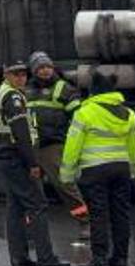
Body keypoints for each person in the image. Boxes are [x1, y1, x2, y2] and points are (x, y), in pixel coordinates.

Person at [0, 62, 71, 266]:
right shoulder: (13, 98)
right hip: (17, 158)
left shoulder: (3, 92)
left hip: (7, 157)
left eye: (24, 74)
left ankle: (19, 257)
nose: (21, 78)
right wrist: (33, 163)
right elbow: (21, 133)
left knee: (15, 208)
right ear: (6, 74)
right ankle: (46, 258)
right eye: (16, 74)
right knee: (37, 205)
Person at [59, 71, 135, 266]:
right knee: (121, 213)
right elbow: (134, 147)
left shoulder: (85, 113)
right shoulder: (129, 114)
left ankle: (100, 259)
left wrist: (66, 174)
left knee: (98, 213)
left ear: (93, 92)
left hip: (94, 170)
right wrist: (132, 171)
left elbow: (72, 146)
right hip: (121, 169)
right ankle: (120, 257)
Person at [24, 51, 89, 226]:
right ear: (34, 71)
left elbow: (78, 117)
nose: (45, 70)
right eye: (40, 68)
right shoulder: (26, 90)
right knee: (30, 188)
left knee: (64, 185)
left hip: (52, 145)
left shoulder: (64, 88)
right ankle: (32, 225)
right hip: (31, 147)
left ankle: (85, 221)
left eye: (48, 67)